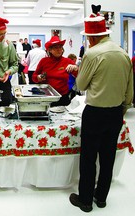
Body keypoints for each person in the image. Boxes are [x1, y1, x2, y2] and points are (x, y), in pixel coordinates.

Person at [69, 5, 134, 213]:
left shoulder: (92, 53)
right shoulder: (123, 54)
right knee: (108, 157)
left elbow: (81, 85)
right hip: (115, 112)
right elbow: (130, 88)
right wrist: (123, 109)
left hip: (95, 112)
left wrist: (79, 73)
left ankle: (86, 200)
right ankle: (101, 197)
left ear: (92, 37)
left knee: (89, 157)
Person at [32, 35, 78, 107]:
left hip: (63, 97)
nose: (59, 49)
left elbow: (79, 75)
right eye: (56, 47)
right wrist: (38, 77)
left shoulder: (67, 61)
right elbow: (34, 77)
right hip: (47, 97)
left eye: (60, 47)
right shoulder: (44, 61)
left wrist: (75, 68)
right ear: (50, 50)